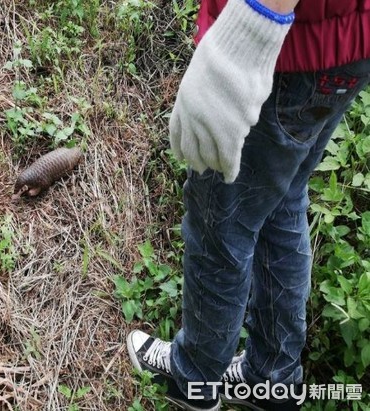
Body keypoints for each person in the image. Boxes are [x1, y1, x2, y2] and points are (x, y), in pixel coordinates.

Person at [125, 0, 370, 410]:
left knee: (220, 222)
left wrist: (242, 48)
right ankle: (272, 377)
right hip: (346, 38)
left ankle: (195, 378)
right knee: (282, 201)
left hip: (288, 48)